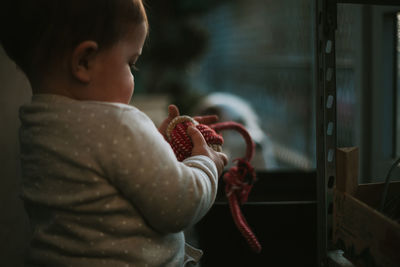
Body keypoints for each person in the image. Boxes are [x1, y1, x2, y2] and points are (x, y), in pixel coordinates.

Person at [1, 0, 228, 266]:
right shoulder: (120, 126)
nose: (133, 74)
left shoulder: (37, 125)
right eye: (131, 63)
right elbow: (179, 205)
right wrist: (206, 164)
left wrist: (154, 143)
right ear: (84, 62)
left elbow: (112, 169)